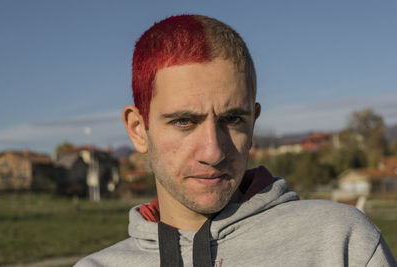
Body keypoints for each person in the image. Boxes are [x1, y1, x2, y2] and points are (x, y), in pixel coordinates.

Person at [76, 14, 396, 267]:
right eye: (184, 121)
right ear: (137, 129)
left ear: (253, 122)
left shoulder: (339, 242)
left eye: (233, 119)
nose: (213, 151)